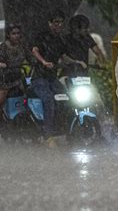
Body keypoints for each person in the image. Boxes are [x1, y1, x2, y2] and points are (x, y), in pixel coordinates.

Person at [31, 10, 86, 147]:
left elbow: (64, 56)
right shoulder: (42, 36)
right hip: (39, 78)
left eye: (61, 22)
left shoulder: (60, 40)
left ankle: (68, 130)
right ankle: (48, 135)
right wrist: (43, 62)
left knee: (67, 97)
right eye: (56, 22)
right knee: (48, 99)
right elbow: (34, 50)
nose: (59, 25)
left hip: (52, 78)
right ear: (50, 23)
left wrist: (76, 62)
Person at [0, 23, 30, 145]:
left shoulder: (23, 46)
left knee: (30, 97)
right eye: (14, 33)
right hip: (4, 80)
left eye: (18, 33)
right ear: (8, 35)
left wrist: (38, 63)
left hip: (18, 79)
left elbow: (30, 57)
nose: (16, 36)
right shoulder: (2, 48)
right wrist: (1, 64)